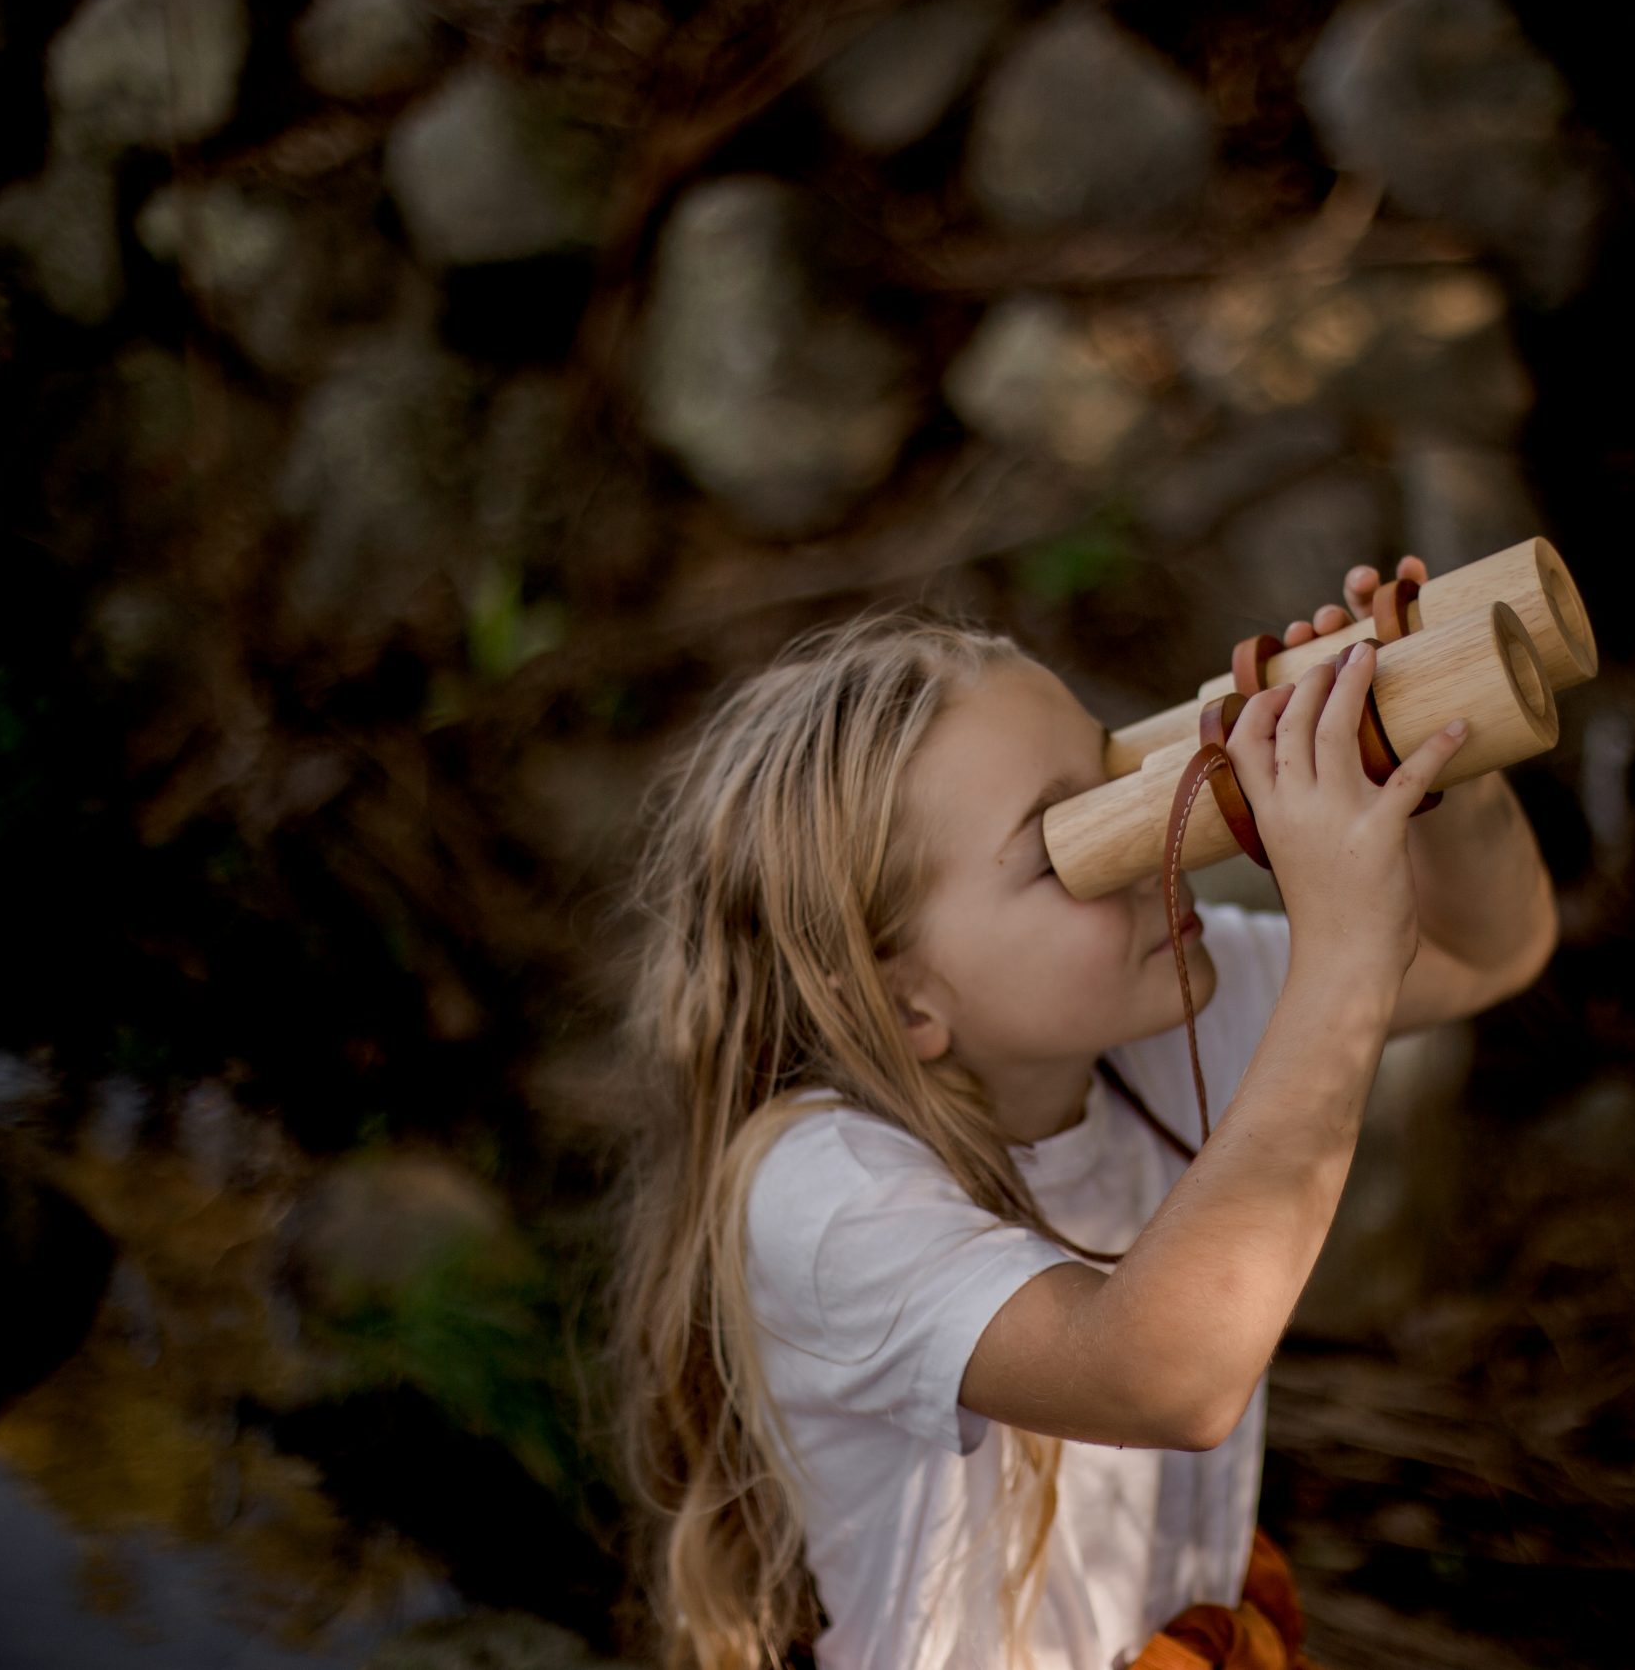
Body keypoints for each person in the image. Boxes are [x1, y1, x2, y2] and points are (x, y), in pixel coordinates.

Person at [604, 559, 1558, 1670]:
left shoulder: (1132, 1014)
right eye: (1073, 844)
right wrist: (1341, 956)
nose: (1160, 849)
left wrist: (1425, 741)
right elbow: (1164, 1374)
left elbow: (1489, 951)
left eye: (1124, 786)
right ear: (904, 1000)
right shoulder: (820, 1188)